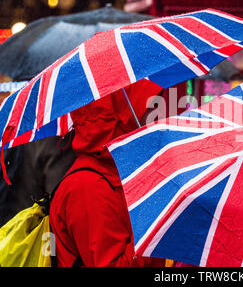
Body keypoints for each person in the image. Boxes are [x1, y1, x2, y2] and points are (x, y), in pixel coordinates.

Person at [49, 80, 165, 267]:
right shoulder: (88, 187)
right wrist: (156, 215)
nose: (151, 120)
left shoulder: (115, 173)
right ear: (118, 121)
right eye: (145, 110)